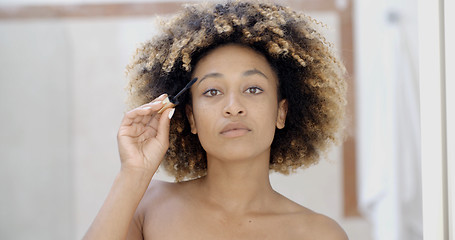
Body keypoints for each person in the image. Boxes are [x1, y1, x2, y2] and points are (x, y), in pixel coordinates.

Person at [84, 1, 348, 239]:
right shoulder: (146, 205)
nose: (233, 108)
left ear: (281, 112)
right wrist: (133, 174)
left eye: (253, 89)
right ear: (191, 117)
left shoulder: (319, 233)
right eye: (212, 91)